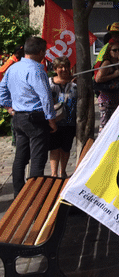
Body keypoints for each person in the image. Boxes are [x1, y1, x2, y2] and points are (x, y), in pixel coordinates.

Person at [0, 37, 57, 197]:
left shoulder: (13, 68)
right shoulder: (37, 70)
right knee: (38, 160)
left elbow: (2, 91)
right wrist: (51, 120)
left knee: (20, 157)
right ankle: (34, 195)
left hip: (18, 117)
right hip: (35, 118)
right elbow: (45, 97)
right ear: (40, 52)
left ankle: (18, 194)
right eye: (44, 51)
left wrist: (10, 108)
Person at [48, 56, 77, 178]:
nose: (64, 69)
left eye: (66, 67)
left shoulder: (75, 83)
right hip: (54, 121)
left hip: (70, 120)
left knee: (66, 147)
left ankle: (63, 171)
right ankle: (54, 173)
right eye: (60, 67)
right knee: (54, 147)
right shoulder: (49, 82)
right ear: (55, 69)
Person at [95, 41, 119, 132]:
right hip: (106, 99)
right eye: (114, 50)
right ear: (109, 52)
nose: (117, 52)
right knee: (104, 124)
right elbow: (98, 79)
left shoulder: (118, 62)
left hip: (115, 98)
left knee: (113, 124)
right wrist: (114, 75)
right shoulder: (107, 63)